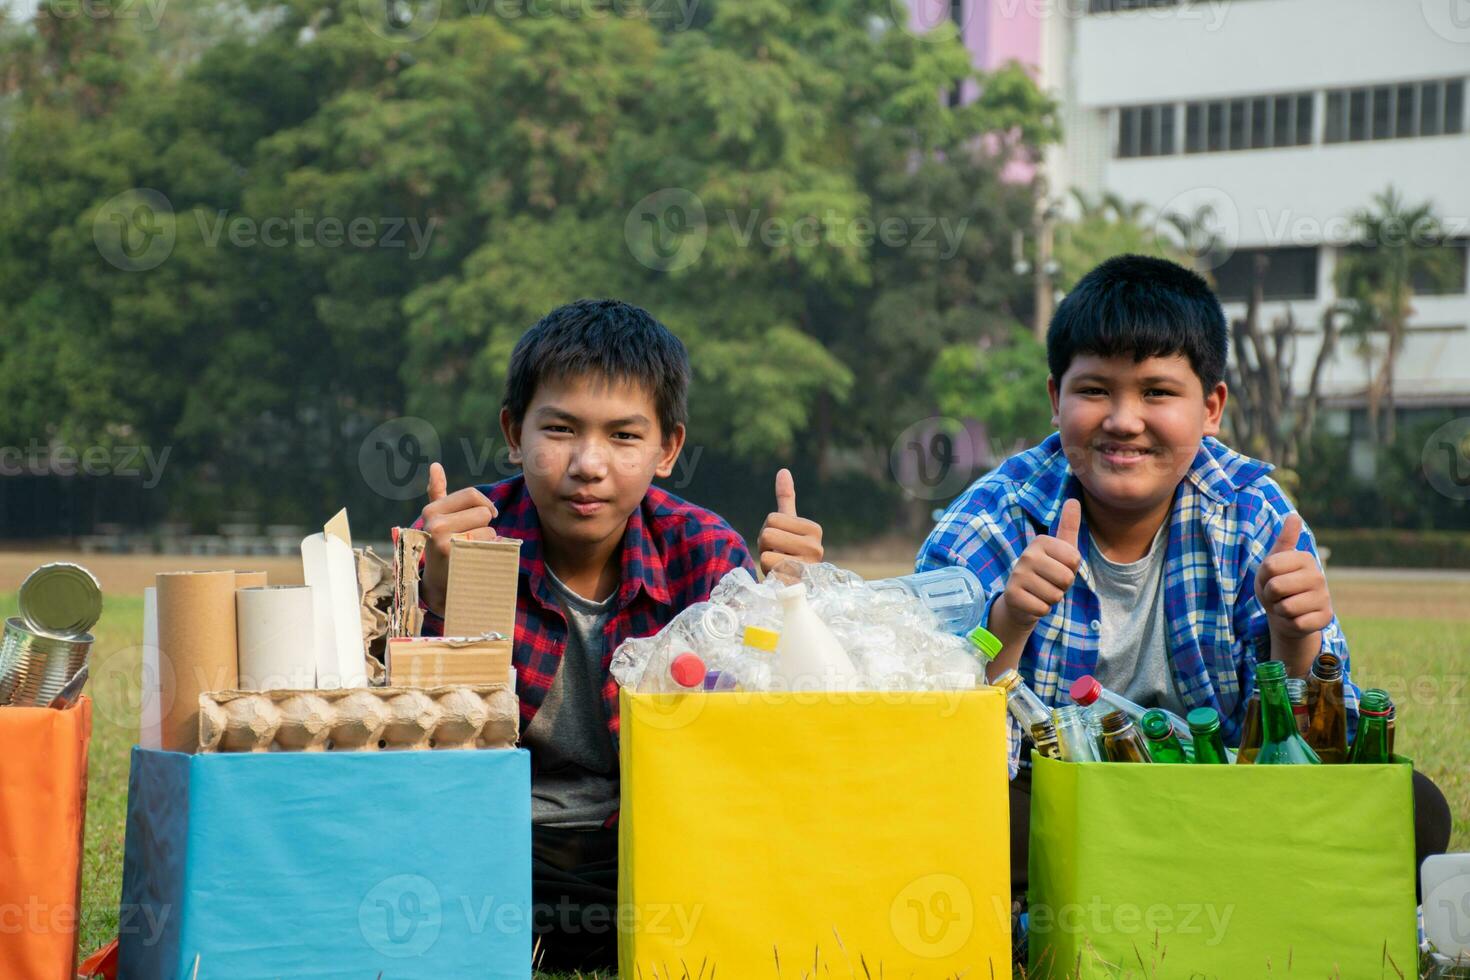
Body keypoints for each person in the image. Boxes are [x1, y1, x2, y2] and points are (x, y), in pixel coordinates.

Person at [916, 255, 1451, 903]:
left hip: (1219, 796)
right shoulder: (996, 516)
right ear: (1056, 400)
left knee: (1411, 808)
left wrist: (1294, 636)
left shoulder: (1252, 512)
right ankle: (1209, 887)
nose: (1123, 419)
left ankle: (1124, 888)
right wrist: (1008, 623)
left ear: (1211, 407)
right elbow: (927, 717)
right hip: (1059, 802)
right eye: (1094, 391)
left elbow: (1308, 751)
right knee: (938, 820)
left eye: (1157, 392)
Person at [410, 298, 823, 972]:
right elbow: (400, 747)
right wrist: (433, 600)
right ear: (515, 433)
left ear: (668, 449)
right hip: (501, 846)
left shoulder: (703, 552)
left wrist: (787, 612)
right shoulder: (462, 542)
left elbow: (761, 742)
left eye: (624, 437)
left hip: (653, 843)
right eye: (562, 430)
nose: (589, 464)